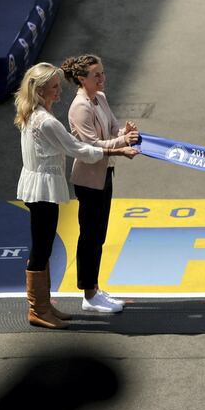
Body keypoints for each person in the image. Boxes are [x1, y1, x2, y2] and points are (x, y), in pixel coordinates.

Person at [14, 63, 138, 329]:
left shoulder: (34, 114)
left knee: (43, 246)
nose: (60, 91)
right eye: (55, 87)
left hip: (37, 184)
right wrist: (117, 152)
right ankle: (38, 309)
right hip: (42, 188)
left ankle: (44, 305)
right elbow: (78, 149)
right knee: (42, 247)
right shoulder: (46, 121)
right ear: (41, 89)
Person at [63, 54, 139, 314]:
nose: (102, 78)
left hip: (105, 174)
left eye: (103, 73)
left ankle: (94, 286)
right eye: (97, 75)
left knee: (99, 235)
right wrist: (123, 142)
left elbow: (113, 128)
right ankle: (89, 294)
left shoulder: (101, 98)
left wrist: (124, 132)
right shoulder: (80, 107)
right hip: (88, 180)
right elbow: (91, 146)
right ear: (82, 79)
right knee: (90, 237)